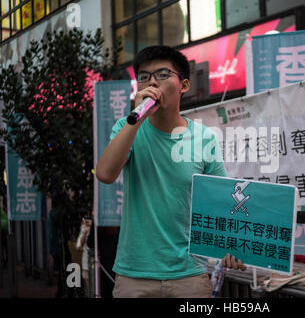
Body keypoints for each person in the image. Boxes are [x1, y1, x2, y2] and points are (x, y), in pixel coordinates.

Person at [95, 45, 246, 298]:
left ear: (184, 85)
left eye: (163, 74)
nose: (152, 82)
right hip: (135, 274)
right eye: (144, 77)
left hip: (189, 275)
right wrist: (137, 117)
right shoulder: (128, 126)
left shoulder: (203, 138)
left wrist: (231, 247)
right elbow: (105, 174)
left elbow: (223, 199)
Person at [76, 211, 92, 297]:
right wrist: (86, 232)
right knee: (88, 290)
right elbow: (79, 246)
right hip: (86, 263)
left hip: (100, 263)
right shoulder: (84, 226)